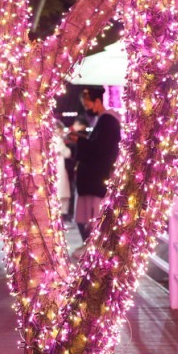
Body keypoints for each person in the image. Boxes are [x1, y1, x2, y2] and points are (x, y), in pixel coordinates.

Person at [72, 87, 121, 243]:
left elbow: (100, 149)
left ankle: (93, 249)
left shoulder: (107, 120)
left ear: (97, 101)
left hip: (98, 180)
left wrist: (79, 141)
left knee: (95, 218)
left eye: (88, 105)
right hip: (96, 180)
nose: (87, 109)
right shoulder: (104, 120)